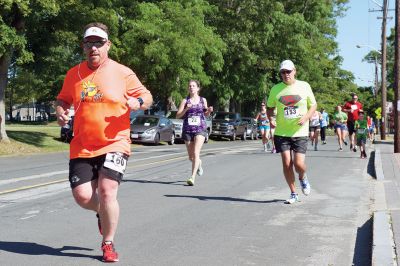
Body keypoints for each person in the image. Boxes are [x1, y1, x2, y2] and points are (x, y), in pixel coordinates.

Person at [56, 22, 153, 263]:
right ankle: (102, 212)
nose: (94, 48)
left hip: (115, 141)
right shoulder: (73, 74)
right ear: (83, 46)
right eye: (89, 43)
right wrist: (60, 111)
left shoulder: (122, 72)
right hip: (82, 145)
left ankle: (108, 243)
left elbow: (147, 96)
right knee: (82, 196)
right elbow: (62, 99)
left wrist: (138, 102)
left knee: (107, 191)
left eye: (98, 43)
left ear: (107, 45)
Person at [266, 60, 317, 204]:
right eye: (283, 72)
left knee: (298, 164)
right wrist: (271, 118)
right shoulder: (275, 89)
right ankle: (294, 192)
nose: (286, 74)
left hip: (300, 131)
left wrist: (306, 117)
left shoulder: (304, 86)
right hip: (282, 132)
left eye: (288, 71)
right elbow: (270, 107)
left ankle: (302, 177)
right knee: (287, 164)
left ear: (294, 71)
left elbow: (313, 105)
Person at [176, 80, 213, 186]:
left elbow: (205, 114)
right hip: (187, 130)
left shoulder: (203, 100)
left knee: (196, 153)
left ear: (198, 88)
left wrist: (209, 111)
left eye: (193, 86)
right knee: (191, 157)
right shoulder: (185, 101)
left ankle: (192, 177)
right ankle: (199, 163)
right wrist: (186, 109)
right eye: (190, 86)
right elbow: (178, 115)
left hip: (200, 129)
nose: (191, 87)